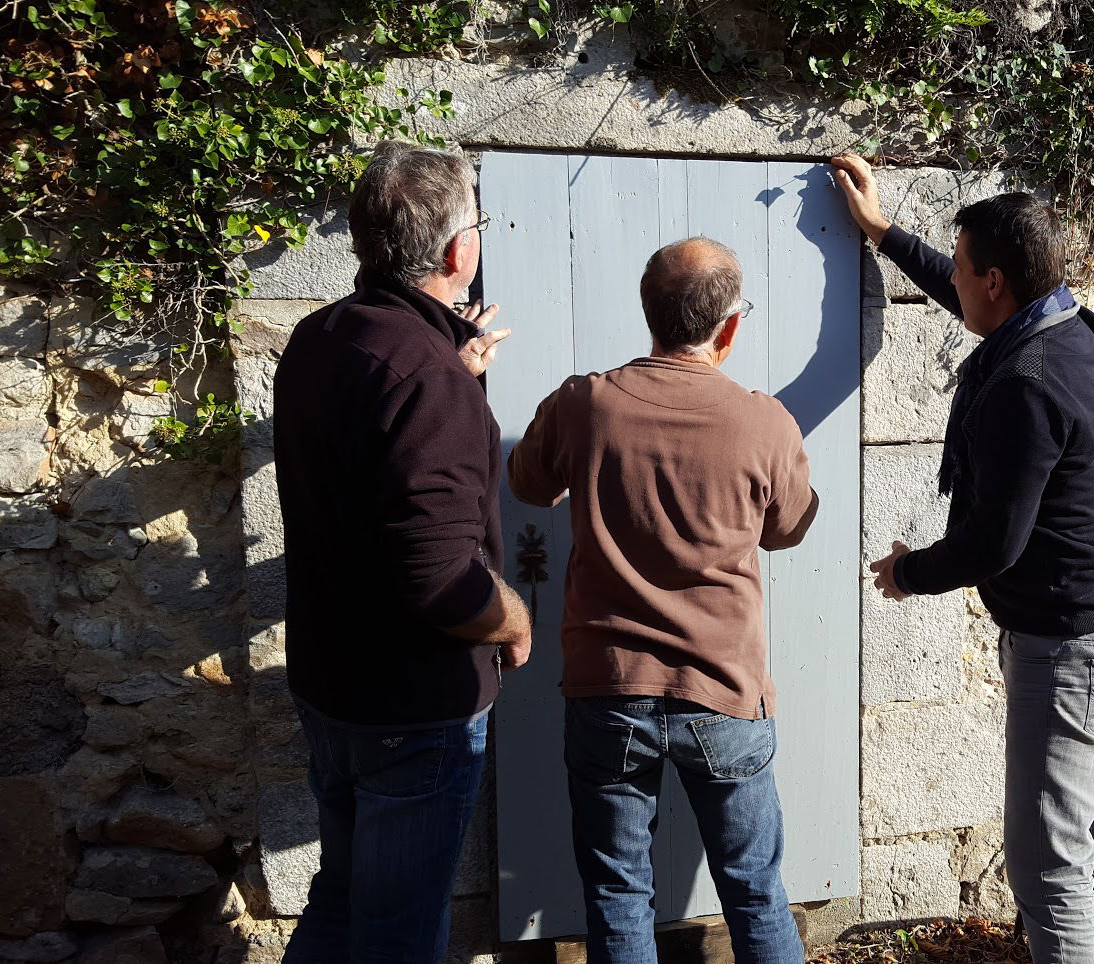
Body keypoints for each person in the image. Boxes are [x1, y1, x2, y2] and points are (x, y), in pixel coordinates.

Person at [832, 154, 1094, 964]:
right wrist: (884, 235)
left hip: (1071, 649)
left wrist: (909, 572)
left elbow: (994, 544)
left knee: (1046, 861)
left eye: (970, 270)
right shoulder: (1071, 331)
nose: (962, 283)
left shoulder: (1027, 383)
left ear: (1000, 282)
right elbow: (971, 297)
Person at [508, 237, 818, 964]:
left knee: (618, 895)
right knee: (754, 892)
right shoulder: (763, 420)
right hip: (725, 693)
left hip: (609, 689)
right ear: (730, 329)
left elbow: (527, 484)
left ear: (648, 313)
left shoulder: (585, 402)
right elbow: (791, 529)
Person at [273, 141, 531, 964]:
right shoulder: (425, 376)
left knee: (342, 901)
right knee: (397, 936)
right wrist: (513, 621)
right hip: (411, 709)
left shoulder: (320, 339)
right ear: (461, 250)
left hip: (332, 685)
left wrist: (453, 379)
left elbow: (373, 463)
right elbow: (439, 579)